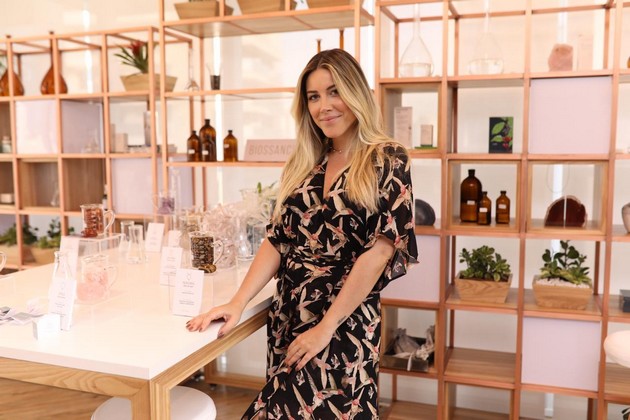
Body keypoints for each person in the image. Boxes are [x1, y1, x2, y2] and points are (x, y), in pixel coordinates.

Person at [186, 48, 418, 419]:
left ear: (356, 92)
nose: (324, 106)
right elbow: (278, 240)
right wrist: (237, 302)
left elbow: (379, 253)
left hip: (344, 322)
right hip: (290, 316)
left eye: (334, 91)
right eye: (313, 97)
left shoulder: (387, 158)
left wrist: (325, 328)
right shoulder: (308, 160)